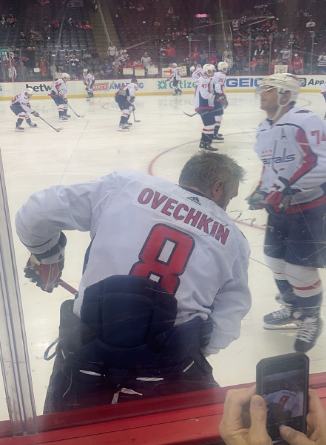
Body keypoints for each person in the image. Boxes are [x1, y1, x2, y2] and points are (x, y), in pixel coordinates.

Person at [15, 151, 250, 412]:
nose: (228, 203)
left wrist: (48, 256)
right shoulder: (234, 239)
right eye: (231, 195)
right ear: (217, 188)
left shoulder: (125, 185)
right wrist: (190, 346)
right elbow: (228, 320)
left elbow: (35, 213)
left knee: (66, 433)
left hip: (85, 357)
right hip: (171, 372)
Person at [247, 73, 326, 352]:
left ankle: (311, 319)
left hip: (310, 209)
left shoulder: (306, 120)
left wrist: (286, 187)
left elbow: (319, 162)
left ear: (285, 94)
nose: (262, 93)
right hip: (279, 208)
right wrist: (262, 189)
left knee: (299, 270)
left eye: (268, 89)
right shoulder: (264, 127)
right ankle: (294, 308)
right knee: (274, 261)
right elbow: (269, 166)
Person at [219, 386, 326, 445]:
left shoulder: (281, 392)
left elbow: (266, 400)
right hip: (285, 411)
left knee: (267, 419)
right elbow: (298, 409)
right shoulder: (298, 396)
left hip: (277, 408)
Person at [194, 64, 218, 151]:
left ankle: (203, 142)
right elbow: (204, 94)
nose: (213, 72)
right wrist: (215, 96)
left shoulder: (205, 79)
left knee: (207, 125)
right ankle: (207, 143)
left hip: (203, 105)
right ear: (207, 71)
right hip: (204, 105)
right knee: (211, 124)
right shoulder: (204, 80)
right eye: (211, 71)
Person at [212, 62, 229, 143]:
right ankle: (214, 134)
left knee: (216, 115)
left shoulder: (215, 74)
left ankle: (214, 132)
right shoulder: (222, 75)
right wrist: (223, 96)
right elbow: (218, 87)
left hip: (214, 97)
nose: (226, 70)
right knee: (218, 116)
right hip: (217, 97)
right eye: (224, 68)